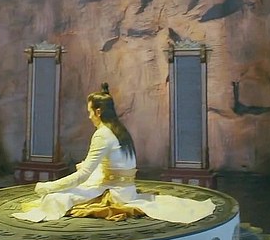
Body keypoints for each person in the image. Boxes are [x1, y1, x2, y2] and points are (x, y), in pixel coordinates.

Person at [12, 84, 215, 224]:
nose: (88, 116)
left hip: (115, 193)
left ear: (98, 111)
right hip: (126, 188)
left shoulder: (102, 134)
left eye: (90, 111)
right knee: (74, 186)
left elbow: (83, 176)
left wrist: (49, 186)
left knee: (55, 198)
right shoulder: (119, 129)